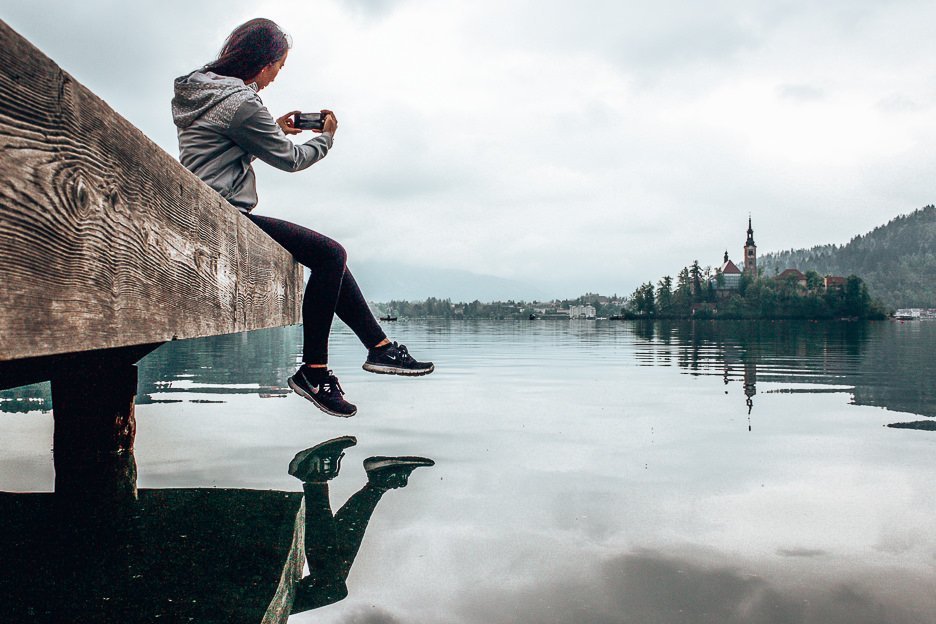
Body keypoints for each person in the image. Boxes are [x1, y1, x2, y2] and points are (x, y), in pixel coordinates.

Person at [171, 18, 433, 417]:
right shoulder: (241, 103)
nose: (276, 76)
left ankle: (380, 349)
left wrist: (270, 129)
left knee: (330, 258)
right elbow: (292, 159)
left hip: (200, 212)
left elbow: (220, 151)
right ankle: (315, 370)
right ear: (264, 62)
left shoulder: (200, 91)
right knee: (330, 254)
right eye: (279, 66)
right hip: (223, 219)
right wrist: (325, 137)